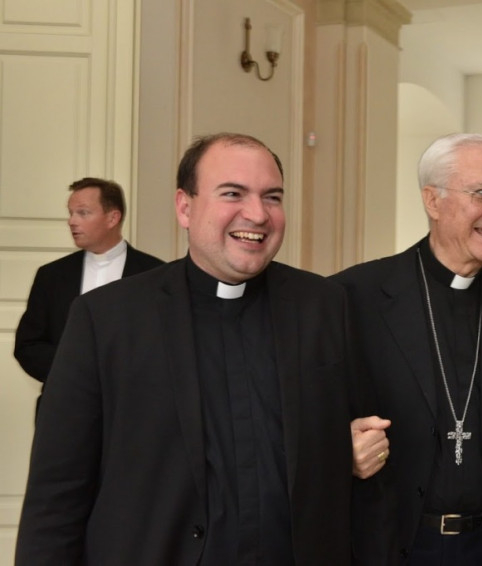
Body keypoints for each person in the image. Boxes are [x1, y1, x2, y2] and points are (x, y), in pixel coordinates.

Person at [16, 133, 362, 565]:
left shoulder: (324, 306)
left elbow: (359, 437)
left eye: (272, 197)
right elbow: (57, 492)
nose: (257, 214)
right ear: (184, 207)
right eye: (232, 193)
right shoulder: (105, 319)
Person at [333, 133, 482, 566]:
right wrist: (340, 452)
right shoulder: (355, 295)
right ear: (433, 201)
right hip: (391, 541)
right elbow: (315, 419)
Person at [14, 177, 163, 412]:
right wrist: (76, 370)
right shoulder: (51, 276)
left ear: (112, 218)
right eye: (71, 213)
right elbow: (28, 346)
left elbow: (165, 347)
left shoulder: (156, 274)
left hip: (134, 410)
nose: (71, 221)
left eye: (83, 213)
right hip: (63, 409)